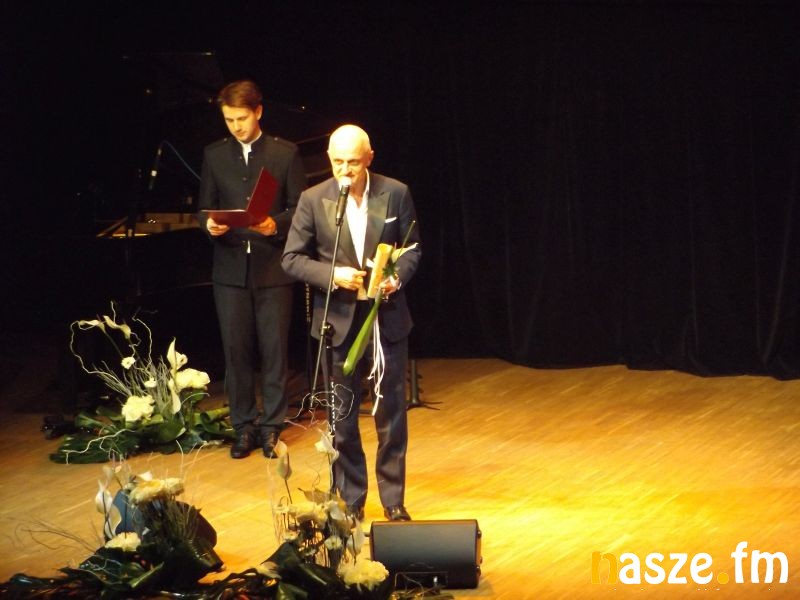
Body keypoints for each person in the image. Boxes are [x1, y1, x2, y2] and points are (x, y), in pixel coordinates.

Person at [282, 124, 421, 521]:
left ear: (369, 158)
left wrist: (396, 277)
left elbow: (412, 248)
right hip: (338, 321)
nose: (346, 170)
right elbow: (292, 258)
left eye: (354, 163)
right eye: (339, 162)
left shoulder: (395, 192)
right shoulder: (314, 199)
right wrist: (333, 275)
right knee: (342, 417)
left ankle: (393, 499)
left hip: (385, 316)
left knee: (391, 412)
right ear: (329, 159)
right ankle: (353, 499)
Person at [198, 80, 307, 459]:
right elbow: (204, 207)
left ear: (258, 112)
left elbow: (300, 209)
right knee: (236, 352)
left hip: (272, 268)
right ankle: (243, 427)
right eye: (229, 120)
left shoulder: (284, 153)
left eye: (241, 118)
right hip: (230, 271)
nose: (236, 127)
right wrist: (209, 225)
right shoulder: (214, 155)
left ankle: (272, 427)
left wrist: (275, 224)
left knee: (274, 351)